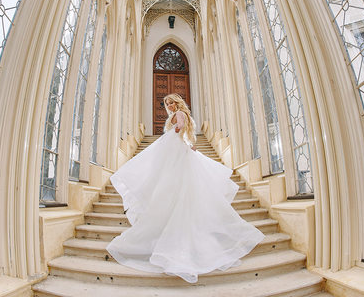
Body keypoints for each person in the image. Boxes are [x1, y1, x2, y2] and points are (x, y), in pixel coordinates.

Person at [106, 93, 265, 283]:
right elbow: (184, 133)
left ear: (177, 102)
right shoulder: (176, 115)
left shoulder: (180, 114)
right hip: (178, 153)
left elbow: (181, 128)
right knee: (175, 189)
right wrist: (184, 141)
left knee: (177, 189)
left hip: (178, 153)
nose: (169, 105)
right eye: (166, 103)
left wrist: (178, 132)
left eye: (171, 102)